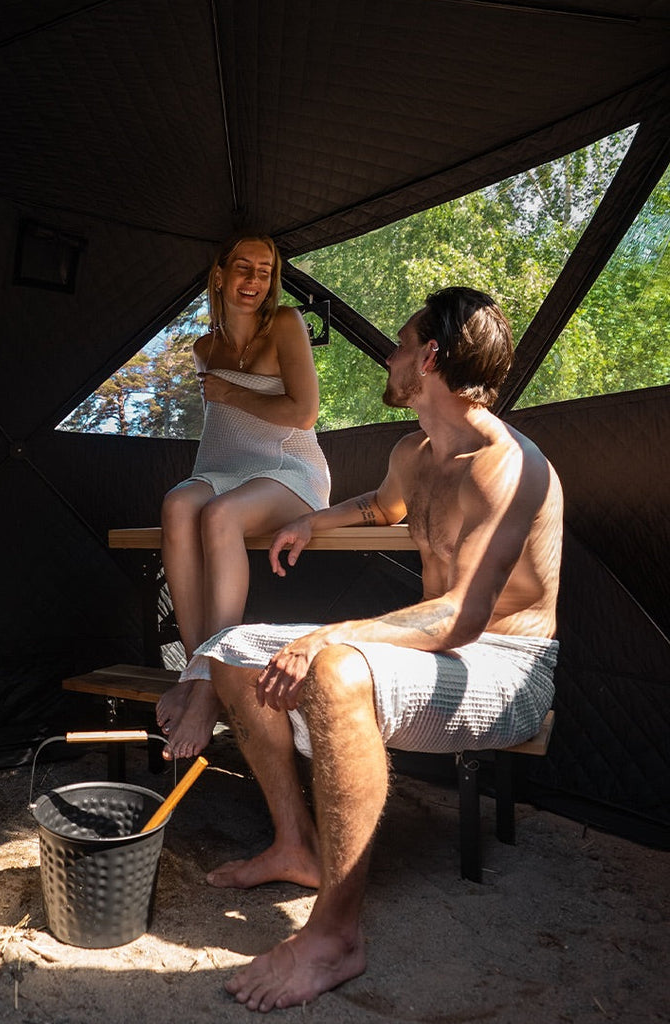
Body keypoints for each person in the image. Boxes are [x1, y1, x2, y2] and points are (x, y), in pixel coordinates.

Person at [194, 286, 563, 1012]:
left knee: (333, 666)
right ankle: (294, 845)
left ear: (428, 357)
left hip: (508, 666)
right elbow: (383, 506)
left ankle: (335, 936)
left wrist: (328, 636)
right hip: (442, 656)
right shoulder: (415, 452)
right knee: (232, 646)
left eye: (399, 345)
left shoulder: (504, 462)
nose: (388, 359)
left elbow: (461, 617)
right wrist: (314, 522)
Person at [156, 234, 331, 761]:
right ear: (220, 274)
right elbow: (225, 436)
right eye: (243, 268)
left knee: (221, 516)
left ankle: (214, 680)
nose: (253, 281)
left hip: (290, 471)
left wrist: (230, 391)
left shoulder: (285, 324)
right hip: (226, 469)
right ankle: (195, 668)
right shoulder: (204, 348)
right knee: (177, 505)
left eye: (264, 270)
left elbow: (303, 413)